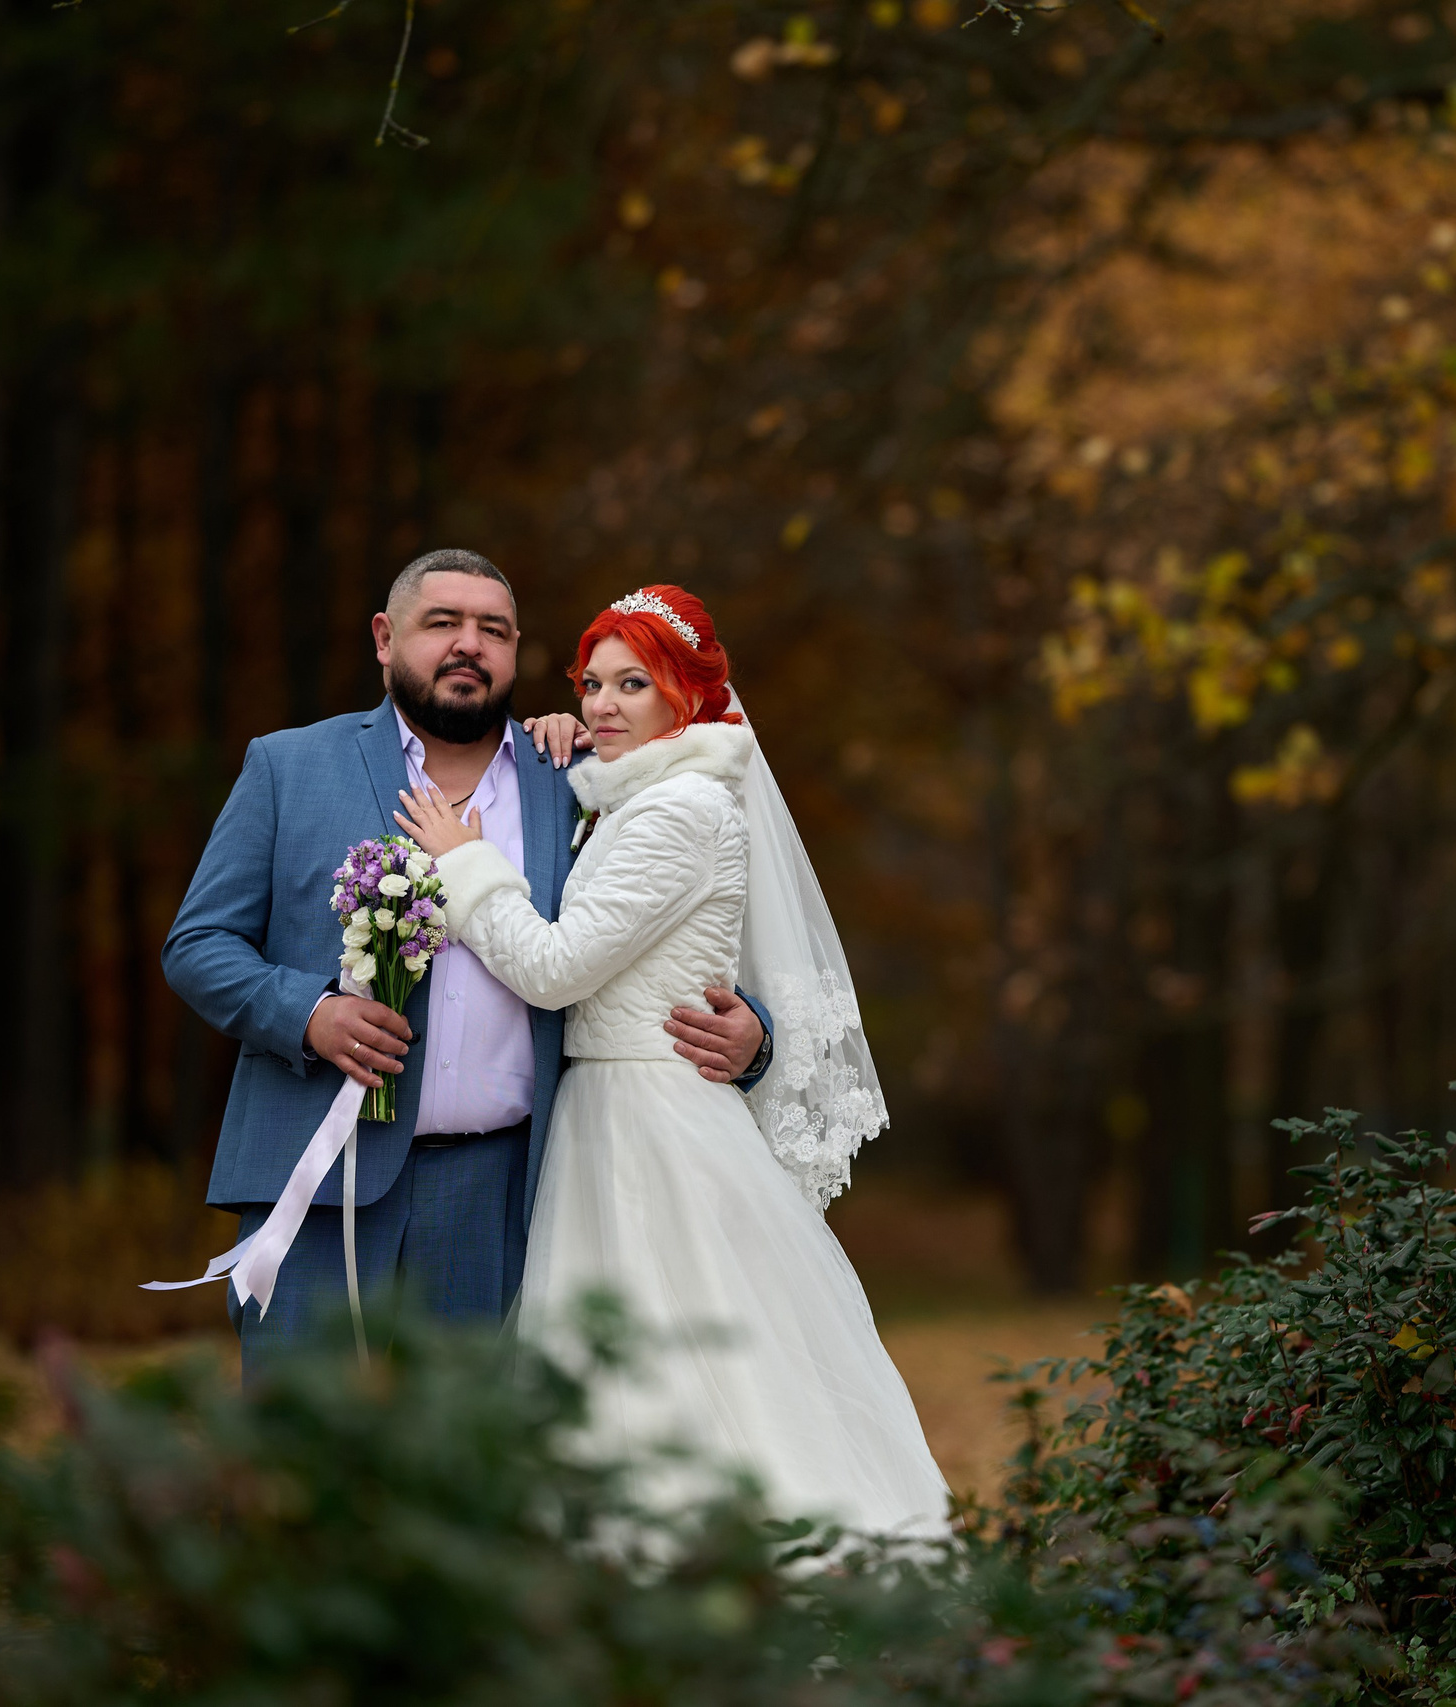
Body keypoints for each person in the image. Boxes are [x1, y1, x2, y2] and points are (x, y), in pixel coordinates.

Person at [393, 584, 950, 1541]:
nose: (605, 704)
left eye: (632, 685)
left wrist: (462, 861)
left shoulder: (679, 811)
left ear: (685, 699)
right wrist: (568, 736)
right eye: (591, 683)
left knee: (692, 1368)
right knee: (630, 1378)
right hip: (608, 1112)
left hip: (654, 1126)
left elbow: (557, 967)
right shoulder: (627, 799)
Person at [163, 550, 771, 1379]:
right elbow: (198, 945)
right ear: (385, 638)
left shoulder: (581, 783)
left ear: (516, 649)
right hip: (320, 1178)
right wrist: (307, 1014)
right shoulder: (290, 767)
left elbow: (679, 927)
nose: (468, 644)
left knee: (469, 1489)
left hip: (501, 1193)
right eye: (441, 622)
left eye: (492, 629)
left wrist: (753, 1034)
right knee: (292, 1479)